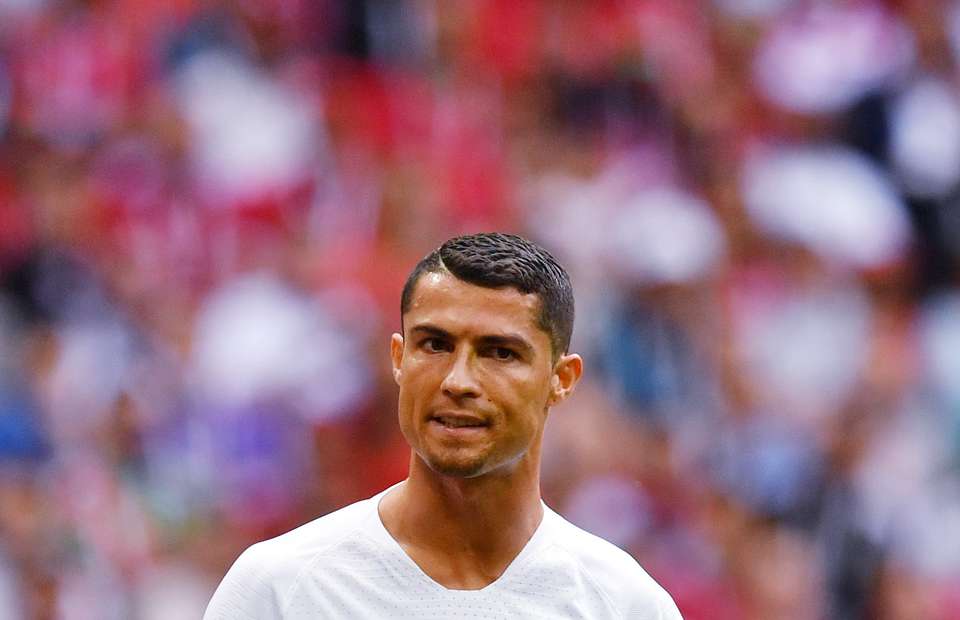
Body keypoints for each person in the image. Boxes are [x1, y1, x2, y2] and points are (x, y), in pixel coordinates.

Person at [204, 232, 682, 619]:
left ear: (561, 379)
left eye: (500, 353)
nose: (458, 381)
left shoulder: (625, 605)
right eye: (434, 345)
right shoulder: (280, 591)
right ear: (398, 359)